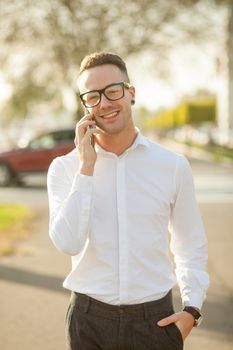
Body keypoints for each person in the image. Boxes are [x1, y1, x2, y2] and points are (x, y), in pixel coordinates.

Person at [47, 51, 209, 350]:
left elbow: (190, 245)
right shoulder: (65, 168)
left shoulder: (172, 165)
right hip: (88, 321)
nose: (105, 103)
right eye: (92, 96)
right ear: (85, 106)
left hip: (155, 321)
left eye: (113, 91)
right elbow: (67, 243)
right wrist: (86, 169)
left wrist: (192, 310)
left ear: (130, 93)